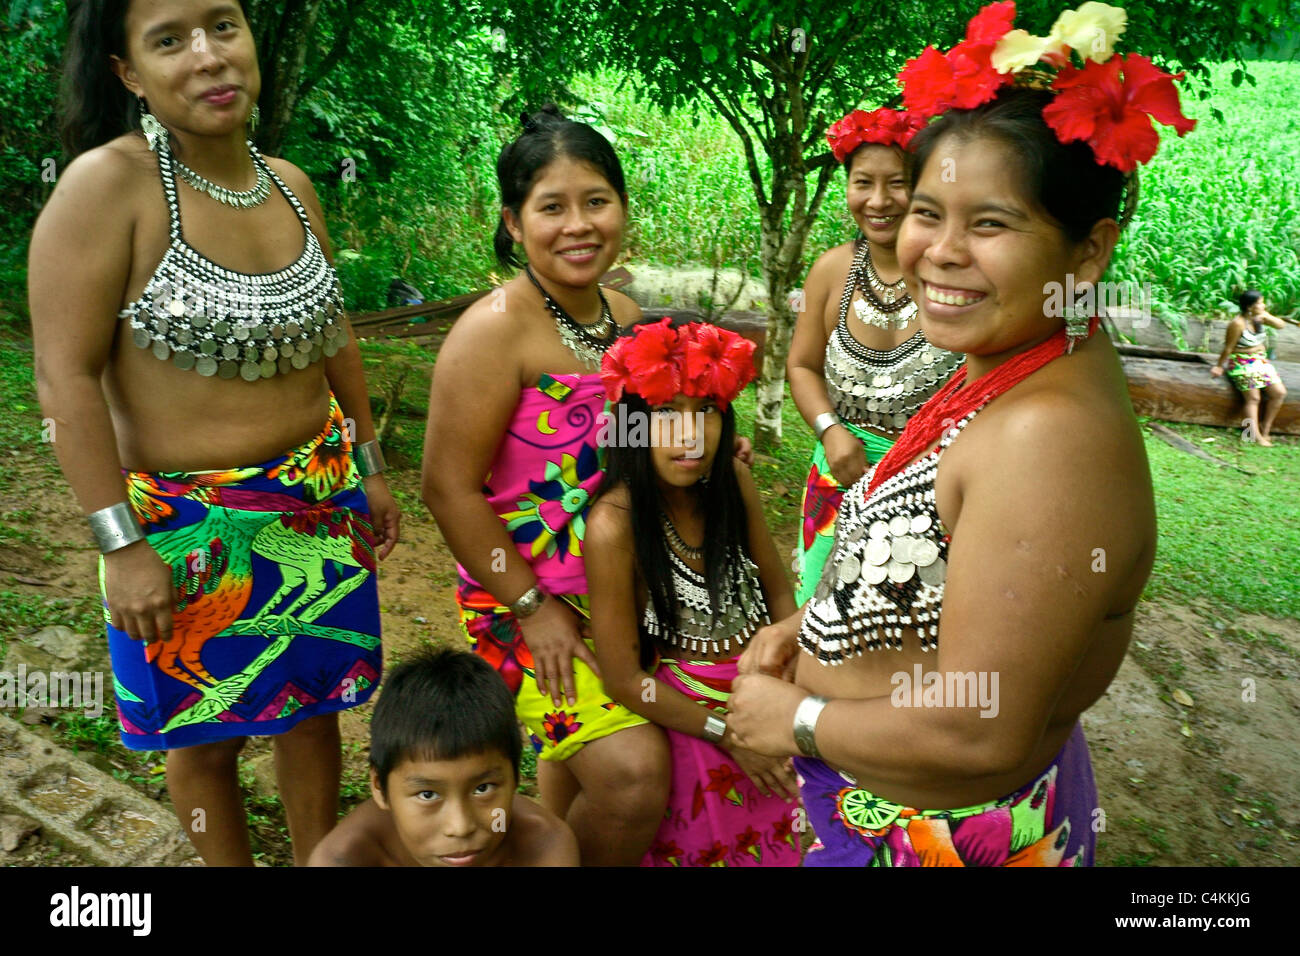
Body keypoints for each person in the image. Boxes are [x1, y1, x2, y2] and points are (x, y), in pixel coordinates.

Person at [728, 0, 1179, 866]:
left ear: (1088, 254)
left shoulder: (1045, 435)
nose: (937, 249)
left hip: (932, 838)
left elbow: (982, 735)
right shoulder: (1025, 363)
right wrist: (818, 628)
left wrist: (801, 718)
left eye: (991, 223)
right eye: (929, 212)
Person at [29, 0, 399, 866]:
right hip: (181, 532)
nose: (207, 56)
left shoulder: (292, 184)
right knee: (203, 735)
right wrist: (120, 545)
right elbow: (65, 378)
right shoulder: (104, 188)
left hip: (317, 503)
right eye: (169, 41)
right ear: (129, 74)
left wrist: (371, 465)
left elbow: (333, 334)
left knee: (312, 713)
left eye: (221, 26)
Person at [421, 107, 669, 865]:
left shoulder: (622, 316)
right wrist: (531, 609)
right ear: (513, 221)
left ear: (623, 206)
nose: (579, 225)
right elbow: (447, 488)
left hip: (618, 588)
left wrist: (695, 444)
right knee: (631, 776)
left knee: (571, 771)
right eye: (551, 207)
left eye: (596, 201)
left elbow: (615, 443)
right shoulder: (494, 329)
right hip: (522, 602)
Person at [585, 319, 802, 867]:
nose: (690, 435)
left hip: (768, 693)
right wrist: (727, 733)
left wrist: (793, 692)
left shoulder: (733, 481)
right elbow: (625, 678)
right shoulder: (615, 526)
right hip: (689, 716)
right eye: (665, 414)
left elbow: (780, 597)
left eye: (706, 411)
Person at [788, 107, 963, 606]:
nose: (879, 201)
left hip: (933, 494)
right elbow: (800, 365)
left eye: (898, 183)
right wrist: (831, 430)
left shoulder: (952, 275)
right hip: (837, 476)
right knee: (819, 620)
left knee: (906, 634)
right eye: (863, 182)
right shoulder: (830, 271)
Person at [308, 647, 578, 867]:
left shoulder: (542, 848)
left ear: (515, 776)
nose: (460, 827)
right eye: (428, 795)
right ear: (379, 787)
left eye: (483, 789)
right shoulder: (346, 859)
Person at [1211, 290, 1293, 446]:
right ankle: (1253, 434)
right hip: (1240, 363)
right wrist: (1219, 367)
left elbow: (1280, 325)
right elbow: (1229, 348)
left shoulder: (1259, 319)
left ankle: (1265, 428)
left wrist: (1266, 317)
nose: (1264, 305)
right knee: (1254, 398)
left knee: (1279, 393)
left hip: (1259, 362)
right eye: (1260, 303)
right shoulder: (1237, 324)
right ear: (1250, 306)